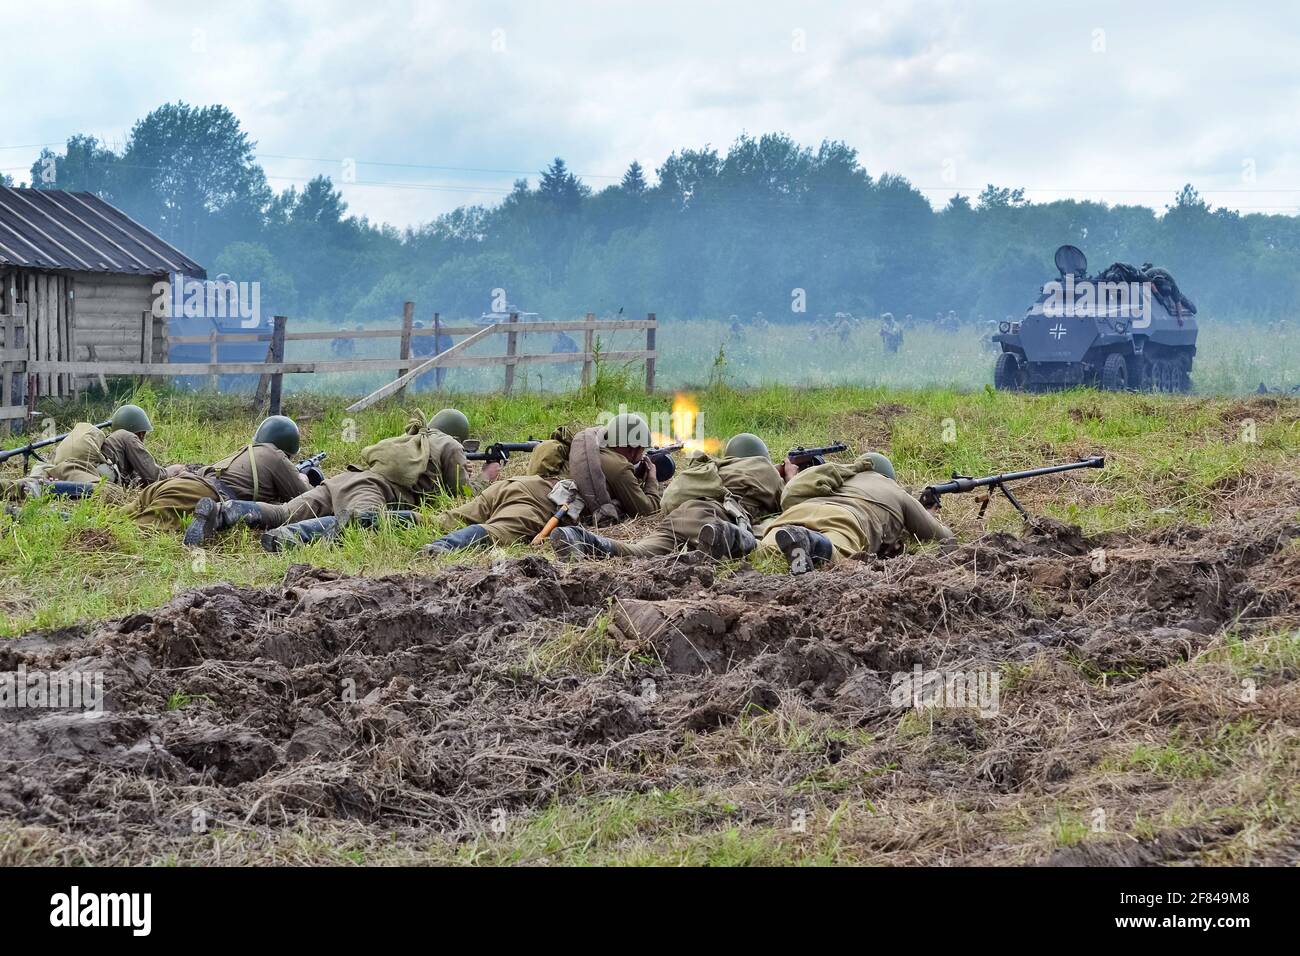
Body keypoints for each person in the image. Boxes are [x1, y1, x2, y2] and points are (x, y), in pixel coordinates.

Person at [194, 408, 496, 551]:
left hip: (347, 479)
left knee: (283, 512)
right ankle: (290, 538)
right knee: (362, 522)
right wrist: (486, 477)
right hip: (374, 490)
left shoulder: (412, 439)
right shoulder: (450, 445)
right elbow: (461, 496)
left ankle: (227, 511)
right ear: (460, 434)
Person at [420, 413, 662, 555]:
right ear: (632, 446)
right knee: (497, 532)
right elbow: (646, 510)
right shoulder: (619, 466)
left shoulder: (588, 448)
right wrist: (651, 482)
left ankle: (384, 519)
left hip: (517, 484)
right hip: (540, 503)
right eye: (641, 450)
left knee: (444, 519)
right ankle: (442, 547)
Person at [549, 431, 784, 560]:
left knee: (639, 551)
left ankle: (586, 540)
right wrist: (788, 475)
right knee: (756, 544)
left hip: (681, 516)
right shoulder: (764, 471)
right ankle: (725, 538)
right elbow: (788, 503)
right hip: (717, 517)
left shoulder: (713, 468)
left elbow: (667, 501)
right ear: (760, 457)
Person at [756, 452, 954, 574]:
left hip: (798, 513)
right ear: (889, 476)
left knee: (768, 550)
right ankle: (813, 544)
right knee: (834, 552)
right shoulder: (895, 491)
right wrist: (929, 513)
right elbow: (942, 536)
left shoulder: (845, 476)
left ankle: (739, 540)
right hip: (844, 519)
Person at [120, 415, 309, 539]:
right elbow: (307, 502)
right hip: (194, 493)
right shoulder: (275, 456)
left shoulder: (244, 453)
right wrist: (303, 479)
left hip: (175, 484)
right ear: (287, 449)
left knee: (118, 520)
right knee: (139, 532)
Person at [29, 404, 179, 501]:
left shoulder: (110, 446)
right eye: (143, 435)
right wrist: (172, 471)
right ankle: (41, 488)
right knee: (112, 494)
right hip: (83, 475)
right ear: (140, 434)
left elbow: (134, 478)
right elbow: (154, 476)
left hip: (66, 471)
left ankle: (36, 487)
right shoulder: (128, 437)